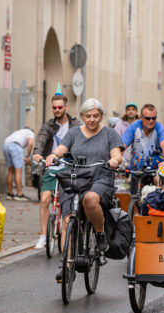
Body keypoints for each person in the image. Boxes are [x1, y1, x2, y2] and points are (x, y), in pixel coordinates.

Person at [46, 98, 123, 281]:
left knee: (89, 199)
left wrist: (114, 160)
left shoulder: (109, 134)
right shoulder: (73, 133)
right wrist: (53, 155)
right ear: (82, 116)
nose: (92, 120)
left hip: (100, 179)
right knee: (67, 220)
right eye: (88, 116)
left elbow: (117, 154)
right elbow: (62, 149)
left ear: (101, 116)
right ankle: (66, 267)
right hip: (75, 179)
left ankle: (99, 233)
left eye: (96, 116)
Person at [32, 90, 81, 250]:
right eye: (54, 108)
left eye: (60, 107)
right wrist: (37, 154)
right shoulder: (49, 126)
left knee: (69, 202)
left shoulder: (75, 125)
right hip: (51, 167)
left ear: (66, 106)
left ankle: (71, 231)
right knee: (45, 199)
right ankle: (44, 236)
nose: (57, 110)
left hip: (69, 168)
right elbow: (40, 140)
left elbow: (82, 142)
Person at [121, 103, 164, 195]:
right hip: (136, 171)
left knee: (156, 199)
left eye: (154, 118)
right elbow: (121, 146)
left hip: (155, 173)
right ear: (141, 117)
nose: (151, 121)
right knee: (134, 200)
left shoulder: (159, 128)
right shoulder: (134, 127)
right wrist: (116, 159)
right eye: (147, 118)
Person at [3, 127, 35, 201]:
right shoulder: (30, 132)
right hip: (16, 147)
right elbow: (30, 143)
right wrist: (28, 156)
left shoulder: (19, 131)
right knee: (18, 171)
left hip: (6, 145)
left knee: (10, 171)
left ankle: (10, 193)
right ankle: (19, 194)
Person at [114, 102, 139, 166]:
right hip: (123, 159)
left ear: (136, 111)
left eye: (133, 109)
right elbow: (115, 140)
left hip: (138, 159)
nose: (131, 111)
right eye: (129, 109)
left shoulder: (140, 125)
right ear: (126, 111)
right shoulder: (119, 124)